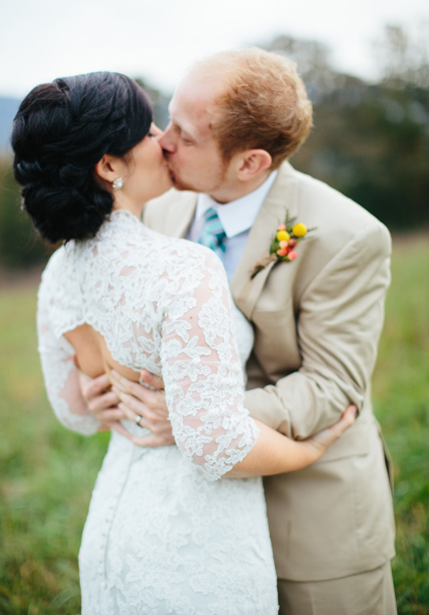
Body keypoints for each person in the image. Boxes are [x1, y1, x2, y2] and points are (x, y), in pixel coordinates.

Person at [13, 71, 356, 614]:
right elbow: (216, 444)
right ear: (108, 165)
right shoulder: (182, 265)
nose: (163, 140)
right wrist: (306, 452)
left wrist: (100, 389)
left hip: (114, 530)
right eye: (148, 130)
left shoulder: (59, 271)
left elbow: (75, 412)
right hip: (195, 539)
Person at [98, 48, 396, 614]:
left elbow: (334, 387)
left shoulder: (347, 236)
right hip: (199, 520)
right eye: (168, 119)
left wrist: (195, 413)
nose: (162, 142)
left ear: (250, 163)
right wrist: (106, 384)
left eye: (184, 135)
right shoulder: (158, 211)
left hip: (310, 512)